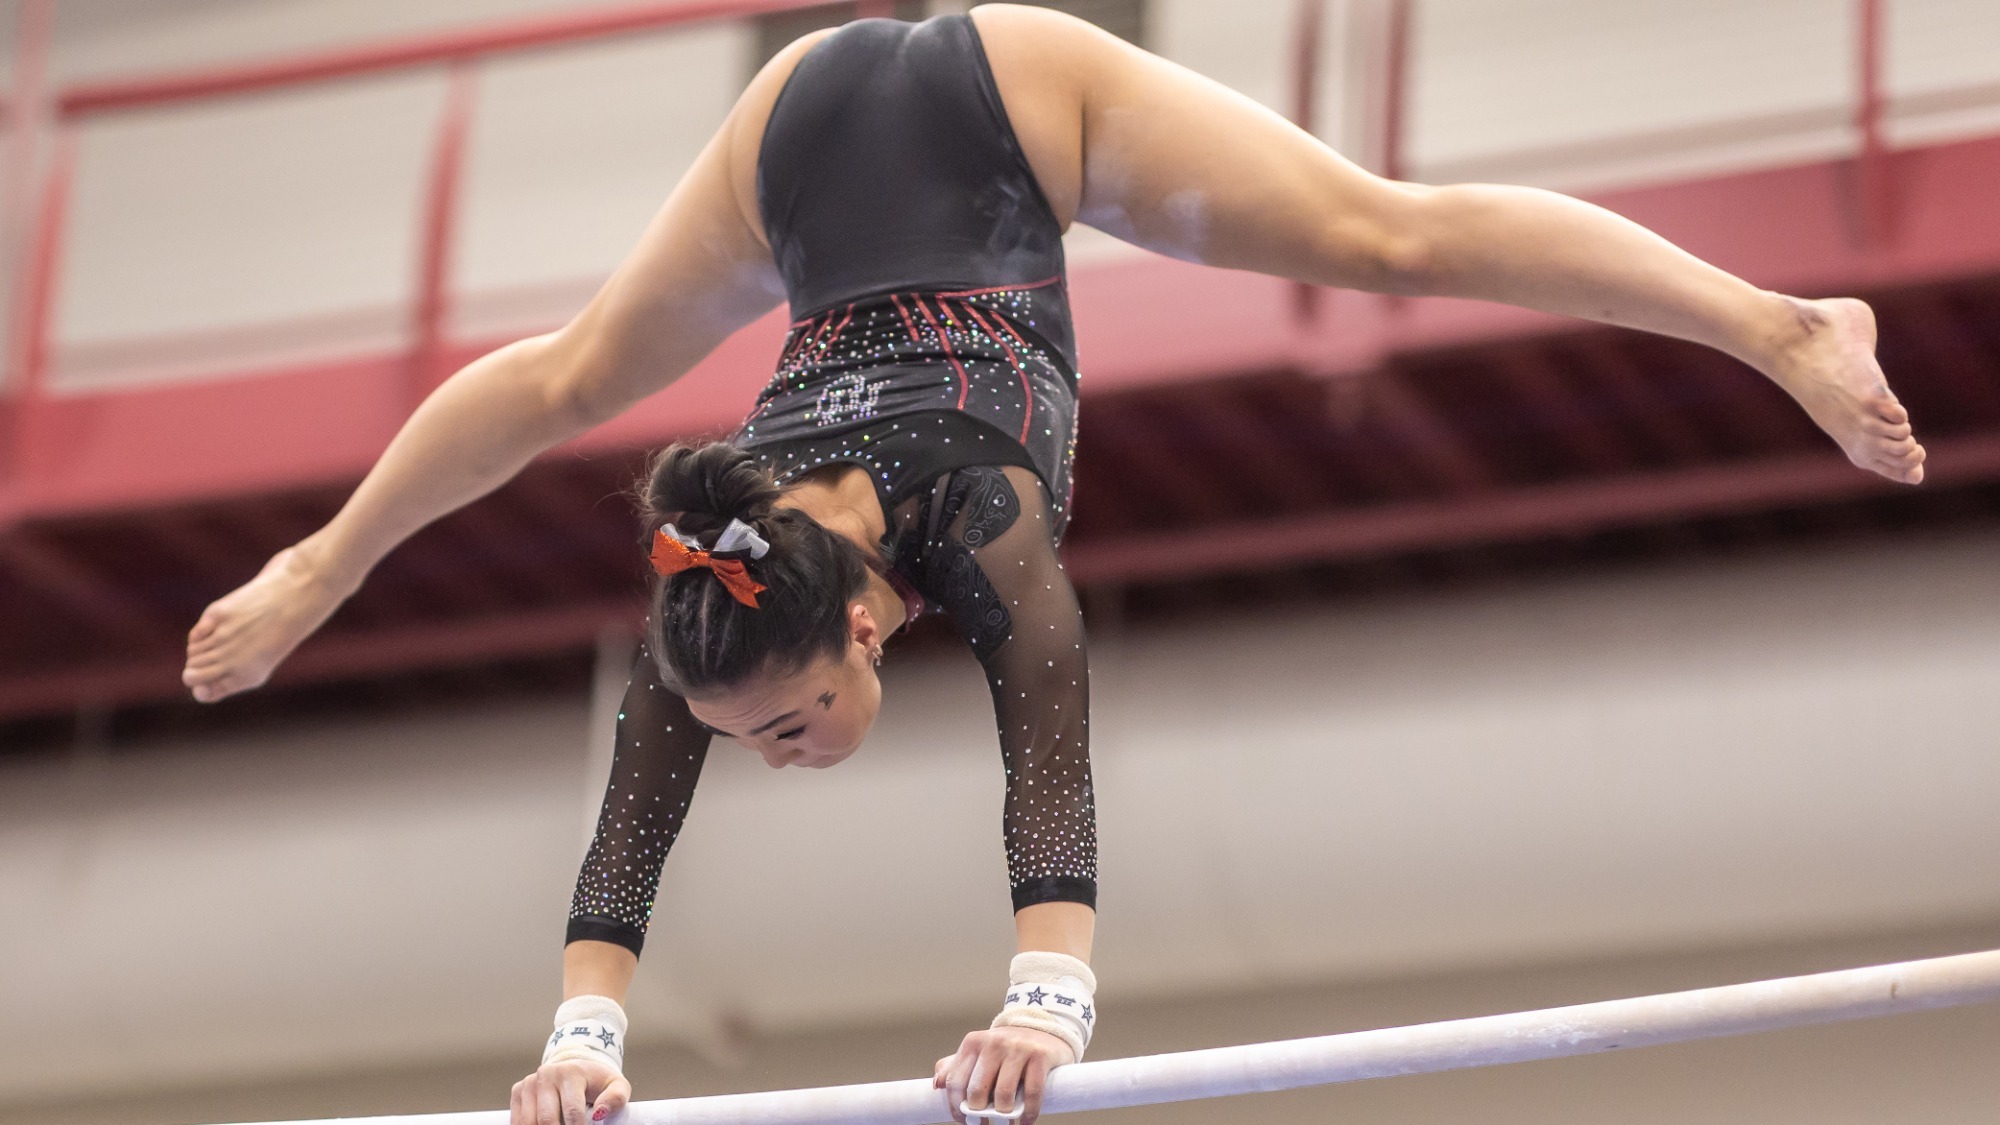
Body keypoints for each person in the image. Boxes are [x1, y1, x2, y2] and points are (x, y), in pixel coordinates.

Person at [179, 7, 1928, 1125]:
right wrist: (581, 1046)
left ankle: (1780, 321)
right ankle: (328, 561)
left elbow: (1050, 717)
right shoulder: (717, 604)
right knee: (567, 376)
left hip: (1007, 108)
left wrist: (1047, 999)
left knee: (1378, 233)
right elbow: (630, 821)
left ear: (864, 622)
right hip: (800, 145)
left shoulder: (971, 524)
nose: (769, 752)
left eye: (785, 728)